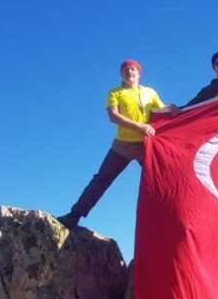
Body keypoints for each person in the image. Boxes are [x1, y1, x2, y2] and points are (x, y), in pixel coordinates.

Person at [57, 59, 178, 228]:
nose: (129, 71)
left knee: (162, 180)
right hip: (122, 145)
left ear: (139, 73)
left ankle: (172, 221)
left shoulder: (150, 92)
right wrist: (140, 126)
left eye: (132, 69)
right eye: (125, 69)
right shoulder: (115, 92)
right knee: (101, 179)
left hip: (146, 146)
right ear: (121, 74)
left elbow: (160, 110)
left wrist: (170, 107)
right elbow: (113, 116)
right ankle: (74, 216)